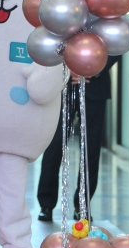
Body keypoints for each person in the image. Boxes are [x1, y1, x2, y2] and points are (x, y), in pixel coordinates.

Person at [36, 57, 117, 222]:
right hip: (62, 86)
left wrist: (93, 69)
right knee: (54, 144)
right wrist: (66, 68)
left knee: (90, 149)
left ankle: (82, 206)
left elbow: (116, 48)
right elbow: (55, 42)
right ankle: (46, 204)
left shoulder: (103, 28)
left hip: (95, 87)